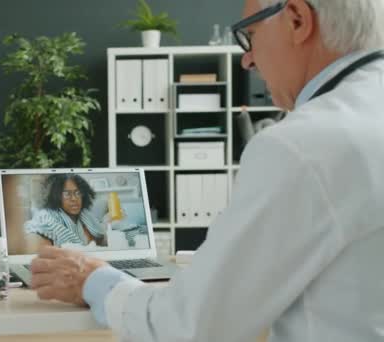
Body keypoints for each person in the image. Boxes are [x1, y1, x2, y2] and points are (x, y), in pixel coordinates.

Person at [30, 0, 384, 341]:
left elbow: (189, 329)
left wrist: (92, 279)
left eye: (251, 35)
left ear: (297, 19)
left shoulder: (301, 146)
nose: (247, 59)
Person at [24, 174, 107, 247]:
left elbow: (103, 239)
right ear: (56, 196)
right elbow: (36, 234)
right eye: (67, 194)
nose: (74, 198)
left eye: (78, 193)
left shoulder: (86, 216)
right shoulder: (48, 218)